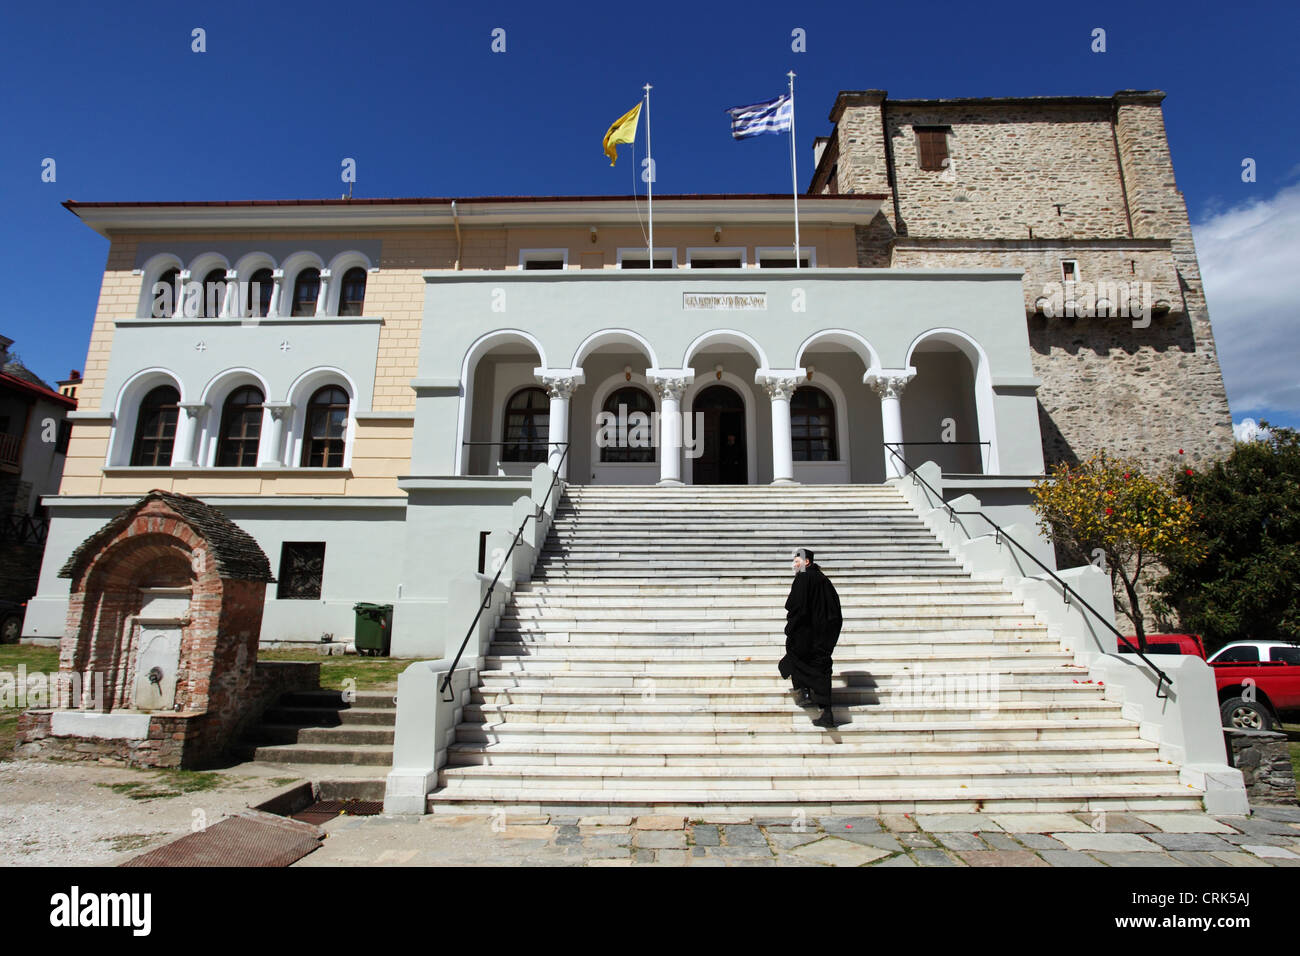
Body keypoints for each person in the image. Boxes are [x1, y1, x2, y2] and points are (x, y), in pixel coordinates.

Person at [778, 548, 843, 728]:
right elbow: (835, 611)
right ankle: (826, 711)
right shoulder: (824, 579)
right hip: (822, 636)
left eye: (797, 560)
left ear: (807, 562)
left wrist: (791, 629)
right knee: (821, 670)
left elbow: (795, 607)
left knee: (795, 659)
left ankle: (804, 693)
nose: (794, 564)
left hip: (805, 634)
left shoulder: (803, 578)